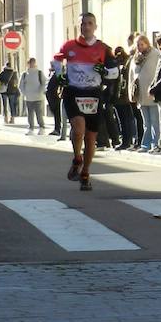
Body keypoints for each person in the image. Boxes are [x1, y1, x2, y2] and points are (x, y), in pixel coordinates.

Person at [54, 12, 114, 192]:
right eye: (83, 24)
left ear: (95, 26)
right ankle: (76, 158)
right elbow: (56, 60)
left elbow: (115, 72)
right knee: (78, 128)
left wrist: (104, 71)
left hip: (94, 93)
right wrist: (60, 75)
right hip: (73, 91)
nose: (86, 26)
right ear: (79, 26)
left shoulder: (103, 48)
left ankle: (85, 173)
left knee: (90, 137)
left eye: (89, 23)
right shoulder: (69, 45)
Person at [19, 58, 47, 133]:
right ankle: (31, 128)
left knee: (39, 114)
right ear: (28, 64)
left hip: (38, 97)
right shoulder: (24, 74)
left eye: (33, 63)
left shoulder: (39, 73)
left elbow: (44, 83)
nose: (32, 64)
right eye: (30, 63)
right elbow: (21, 85)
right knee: (30, 114)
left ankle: (41, 127)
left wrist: (40, 91)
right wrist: (24, 93)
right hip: (28, 98)